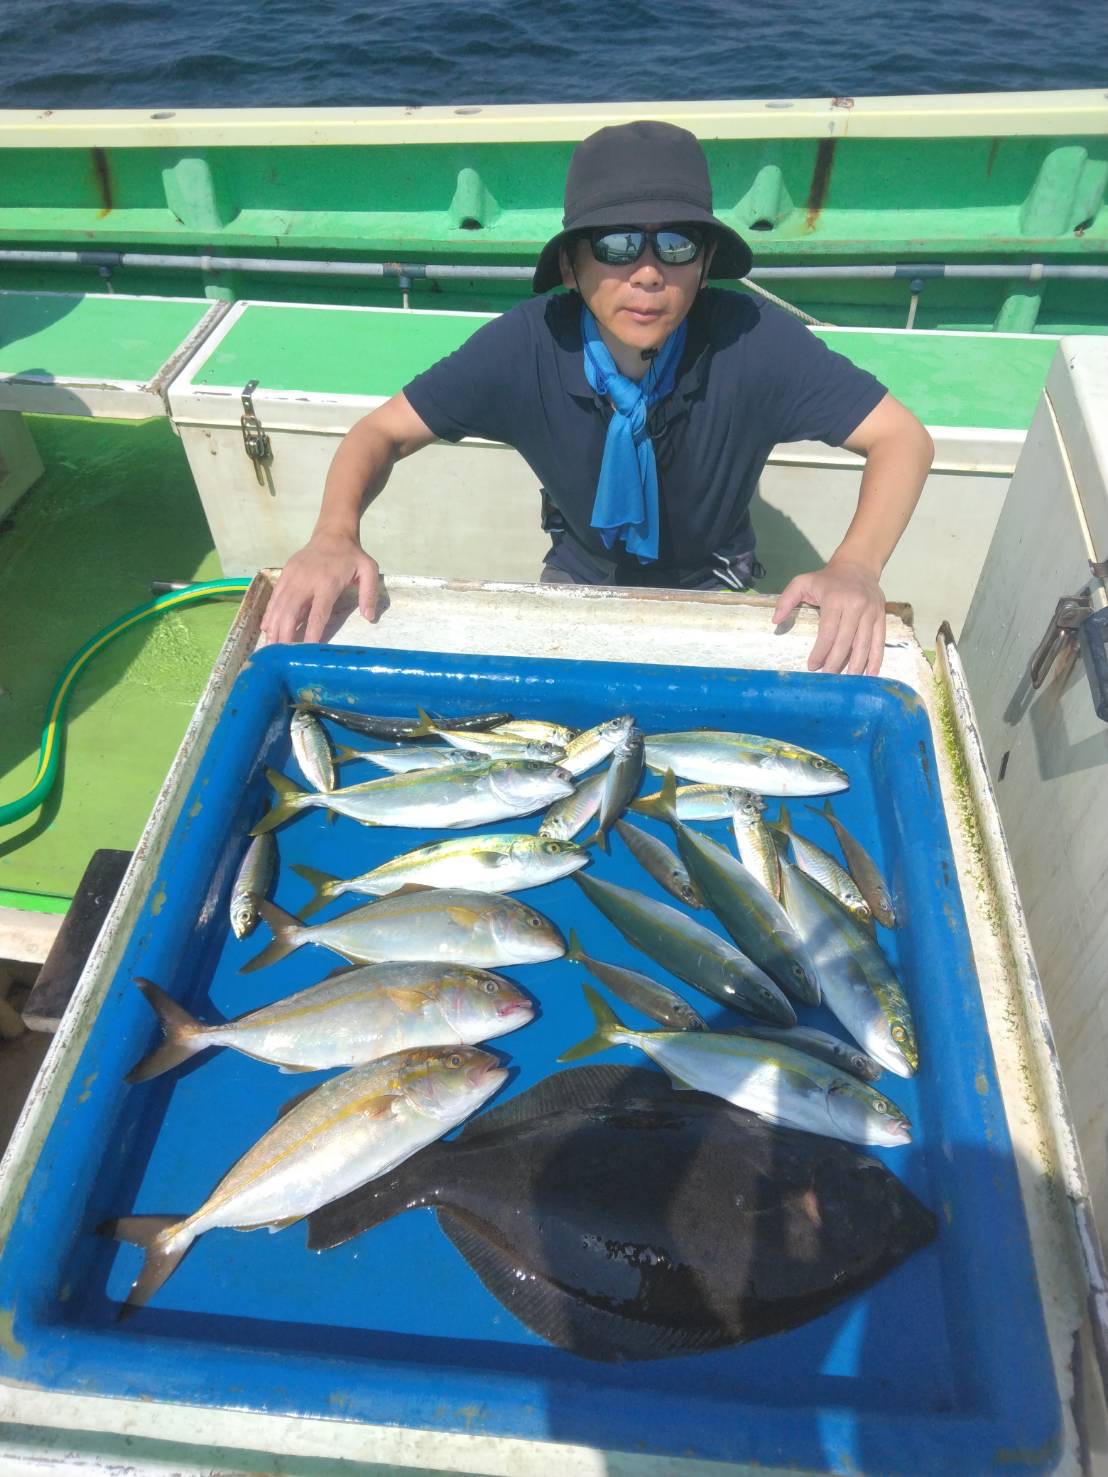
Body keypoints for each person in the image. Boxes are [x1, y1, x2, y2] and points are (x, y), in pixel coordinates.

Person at [262, 120, 934, 675]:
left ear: (704, 263)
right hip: (580, 570)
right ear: (570, 264)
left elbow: (901, 438)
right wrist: (333, 535)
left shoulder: (753, 340)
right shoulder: (526, 345)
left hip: (712, 579)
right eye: (616, 245)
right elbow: (379, 433)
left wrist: (855, 566)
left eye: (676, 244)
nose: (648, 273)